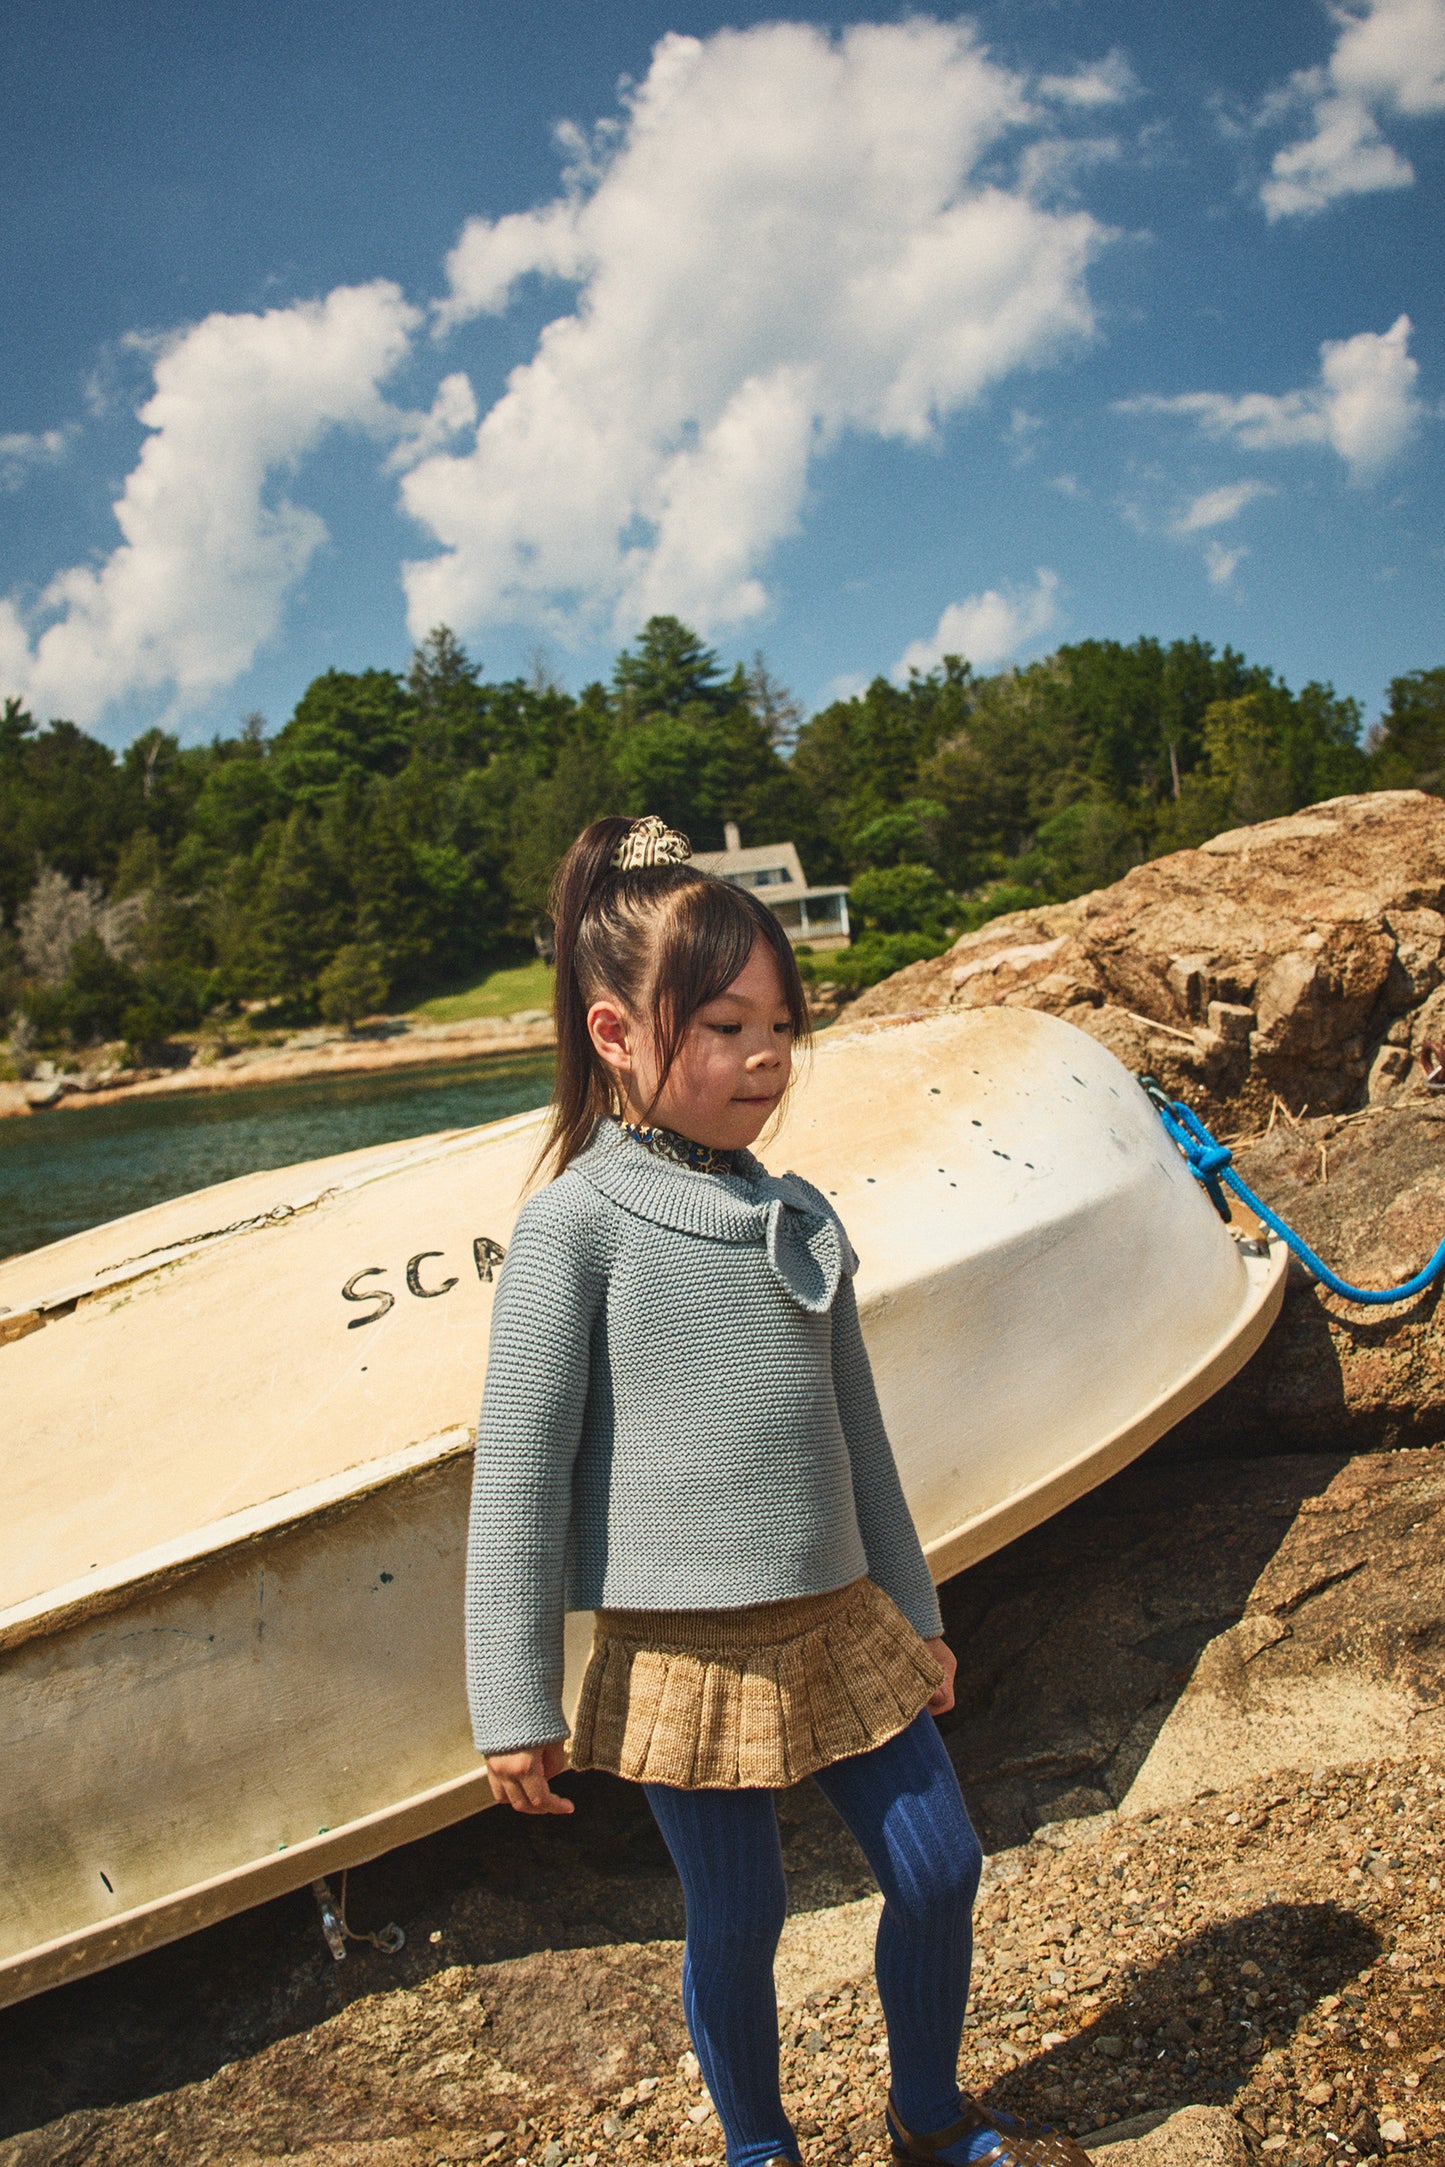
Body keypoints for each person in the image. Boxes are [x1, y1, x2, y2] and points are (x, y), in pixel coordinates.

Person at [465, 813, 1089, 2167]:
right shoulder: (574, 1226)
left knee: (940, 1868)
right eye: (721, 1027)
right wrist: (511, 1703)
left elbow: (856, 1436)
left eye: (779, 1028)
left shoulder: (792, 1212)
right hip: (682, 1647)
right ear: (617, 1034)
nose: (760, 1060)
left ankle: (928, 2115)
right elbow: (515, 1474)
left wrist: (915, 1608)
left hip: (838, 1616)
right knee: (735, 1920)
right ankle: (759, 2147)